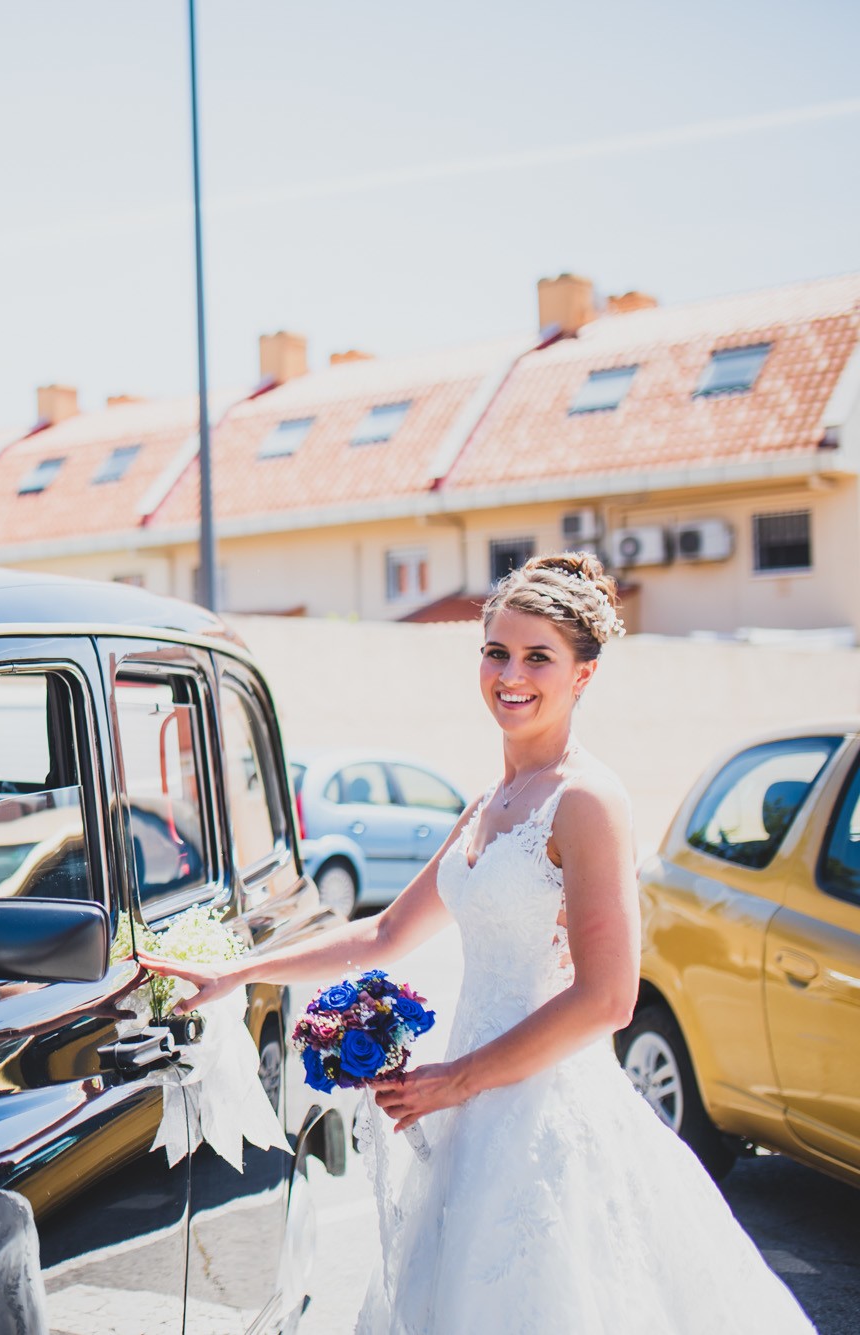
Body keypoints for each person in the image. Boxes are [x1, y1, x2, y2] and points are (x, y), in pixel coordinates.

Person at [139, 552, 813, 1335]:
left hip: (540, 1114)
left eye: (538, 657)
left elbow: (609, 997)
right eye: (497, 651)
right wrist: (236, 972)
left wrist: (457, 1080)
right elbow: (386, 932)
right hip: (468, 1112)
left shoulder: (586, 800)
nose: (510, 674)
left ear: (583, 675)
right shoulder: (488, 803)